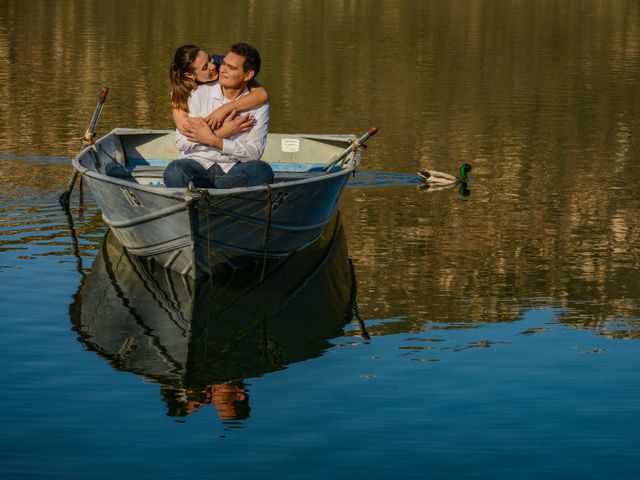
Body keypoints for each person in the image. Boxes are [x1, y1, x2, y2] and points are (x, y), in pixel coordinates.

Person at [164, 43, 273, 189]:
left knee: (262, 172)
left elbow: (255, 153)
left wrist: (216, 141)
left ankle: (234, 203)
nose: (221, 69)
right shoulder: (196, 93)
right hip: (197, 165)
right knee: (175, 171)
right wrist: (221, 134)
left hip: (234, 169)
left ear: (248, 75)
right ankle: (195, 203)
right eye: (224, 64)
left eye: (231, 68)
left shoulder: (259, 104)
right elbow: (182, 142)